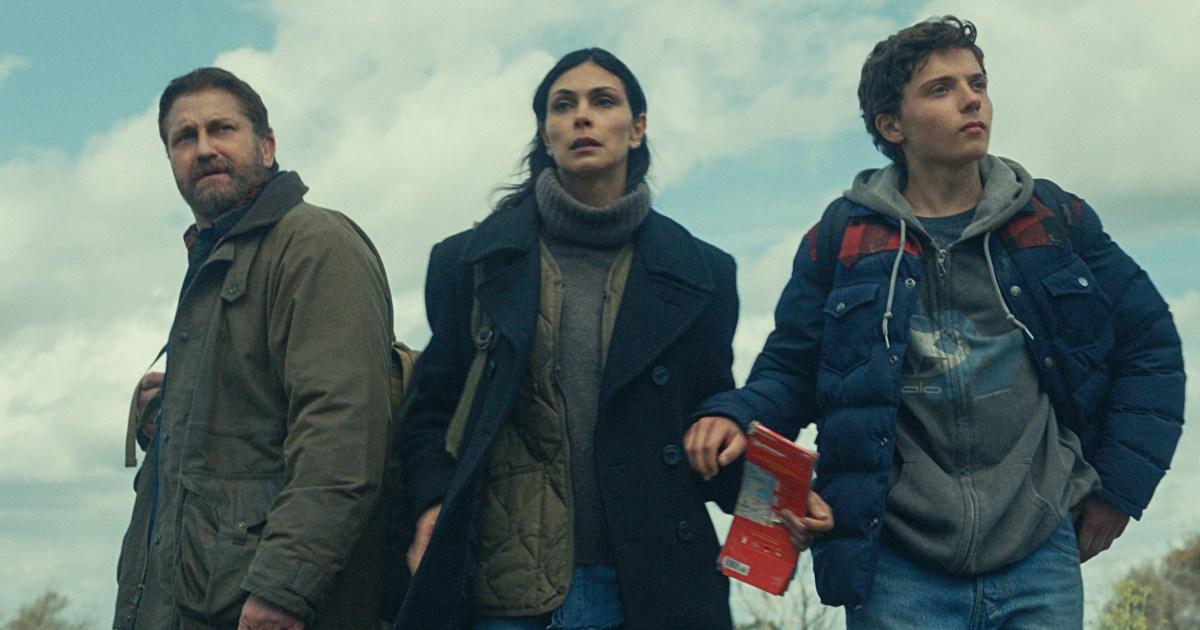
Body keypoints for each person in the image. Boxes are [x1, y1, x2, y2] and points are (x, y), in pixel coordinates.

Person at [692, 16, 1184, 629]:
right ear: (891, 126)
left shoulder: (1054, 219)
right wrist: (735, 414)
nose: (971, 99)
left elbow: (1150, 348)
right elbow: (792, 369)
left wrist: (1118, 492)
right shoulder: (841, 238)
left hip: (1038, 555)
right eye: (940, 89)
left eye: (977, 83)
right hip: (898, 567)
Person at [395, 48, 742, 629]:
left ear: (637, 128)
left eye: (603, 101)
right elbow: (433, 409)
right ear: (545, 134)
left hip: (652, 587)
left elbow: (711, 418)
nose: (582, 115)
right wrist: (431, 503)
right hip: (503, 589)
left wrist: (772, 491)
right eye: (563, 105)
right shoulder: (469, 264)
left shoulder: (704, 273)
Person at [113, 67, 396, 630]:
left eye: (222, 129)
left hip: (260, 610)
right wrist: (171, 412)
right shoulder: (215, 260)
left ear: (267, 146)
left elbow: (341, 430)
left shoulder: (314, 244)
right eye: (184, 138)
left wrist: (284, 590)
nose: (204, 149)